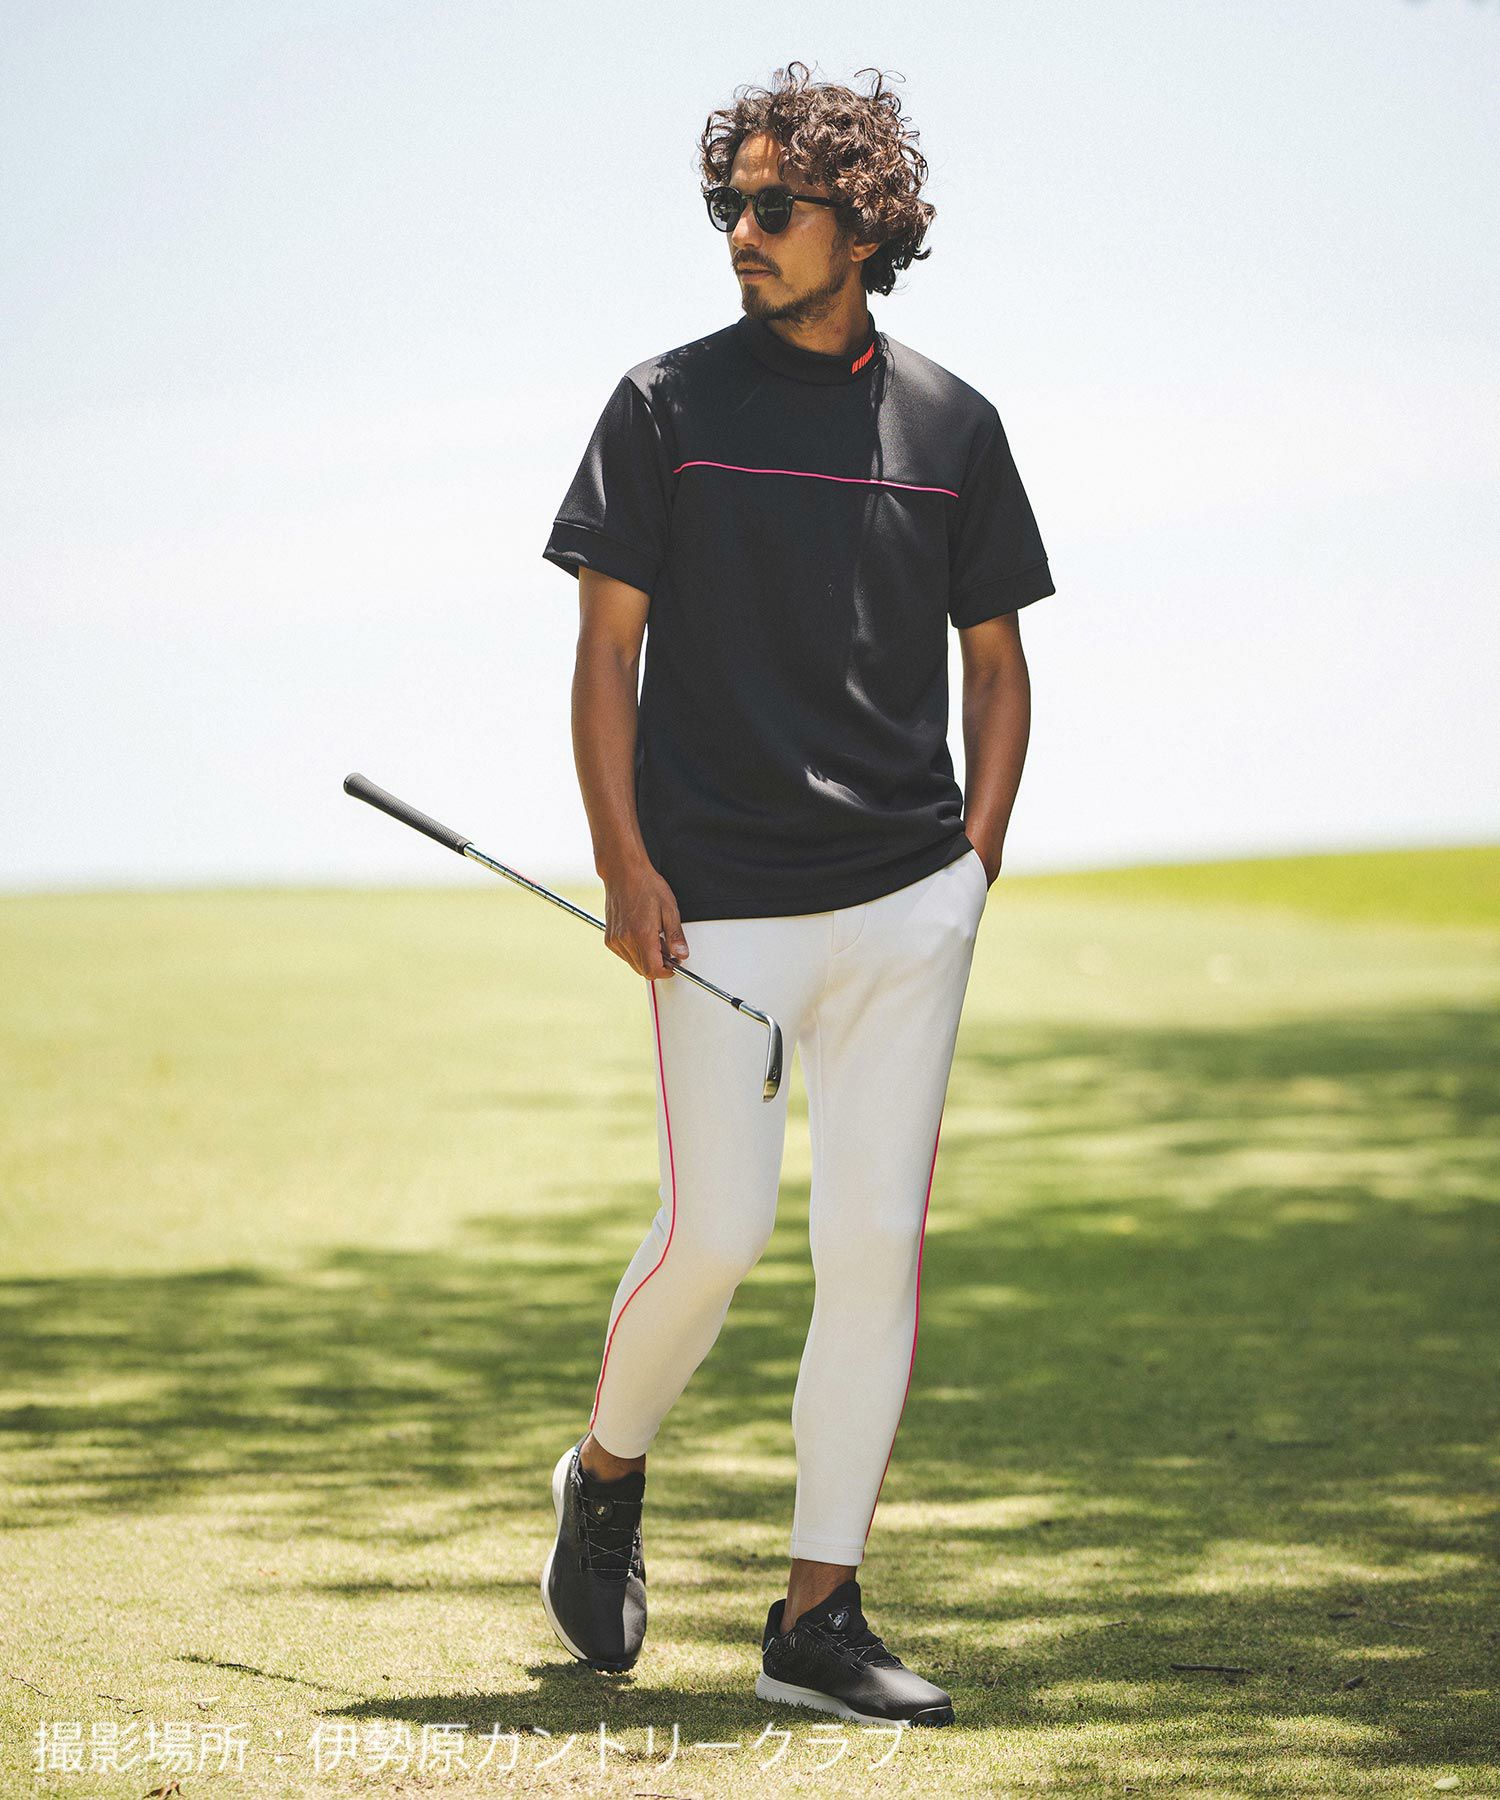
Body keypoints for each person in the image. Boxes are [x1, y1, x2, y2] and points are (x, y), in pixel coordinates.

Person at [537, 61, 1055, 1727]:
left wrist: (971, 866)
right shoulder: (664, 407)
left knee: (875, 1247)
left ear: (863, 221)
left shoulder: (956, 427)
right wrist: (624, 861)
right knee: (719, 1235)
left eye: (774, 204)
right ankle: (606, 1472)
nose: (741, 232)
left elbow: (999, 665)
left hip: (908, 904)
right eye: (727, 204)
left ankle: (815, 1620)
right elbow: (604, 656)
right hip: (720, 911)